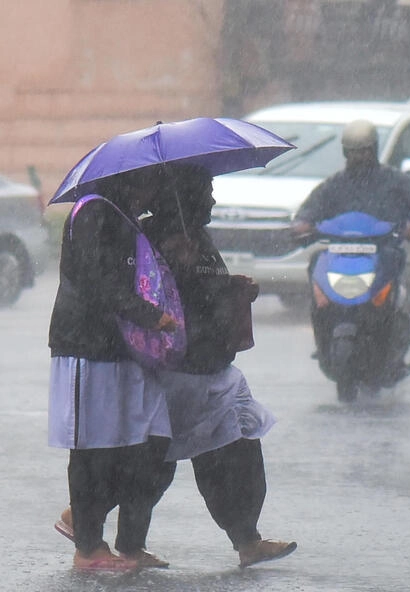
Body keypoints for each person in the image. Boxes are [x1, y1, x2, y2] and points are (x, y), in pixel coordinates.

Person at [143, 164, 296, 568]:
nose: (212, 198)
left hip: (212, 369)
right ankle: (91, 520)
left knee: (237, 449)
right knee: (150, 462)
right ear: (185, 193)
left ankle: (248, 540)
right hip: (175, 370)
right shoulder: (155, 238)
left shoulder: (198, 236)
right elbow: (151, 296)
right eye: (206, 190)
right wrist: (175, 265)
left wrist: (235, 287)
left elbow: (206, 289)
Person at [48, 168, 179, 570]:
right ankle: (89, 549)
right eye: (150, 183)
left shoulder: (126, 218)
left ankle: (128, 542)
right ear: (128, 180)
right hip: (87, 345)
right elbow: (94, 278)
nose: (152, 193)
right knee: (93, 448)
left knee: (152, 445)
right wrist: (147, 314)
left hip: (124, 348)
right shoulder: (92, 212)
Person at [291, 119, 410, 382]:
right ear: (345, 153)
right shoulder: (334, 185)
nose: (359, 157)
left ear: (373, 150)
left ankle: (396, 327)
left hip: (381, 253)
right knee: (317, 261)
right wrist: (302, 225)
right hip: (341, 255)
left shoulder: (395, 181)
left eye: (364, 151)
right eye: (353, 152)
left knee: (393, 265)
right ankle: (324, 328)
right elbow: (309, 210)